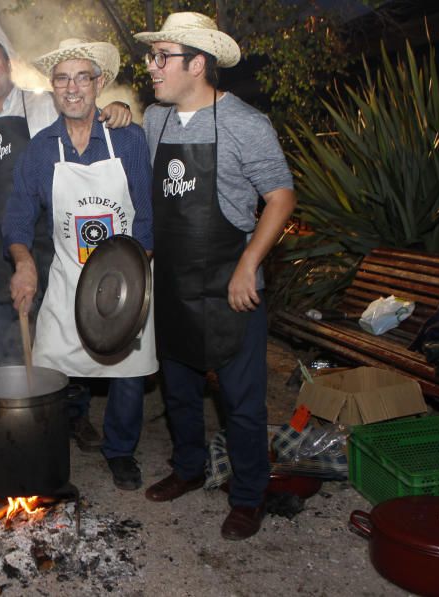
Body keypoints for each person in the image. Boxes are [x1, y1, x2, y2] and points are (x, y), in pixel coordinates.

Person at [134, 12, 297, 539]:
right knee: (179, 391)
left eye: (162, 58)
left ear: (197, 64)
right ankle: (188, 468)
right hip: (175, 284)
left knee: (242, 405)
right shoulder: (154, 120)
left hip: (232, 286)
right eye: (150, 57)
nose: (152, 68)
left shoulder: (246, 123)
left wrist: (249, 265)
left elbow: (281, 197)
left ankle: (250, 495)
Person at [0, 39, 133, 451]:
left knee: (64, 335)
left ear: (9, 65)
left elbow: (85, 109)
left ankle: (74, 416)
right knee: (2, 341)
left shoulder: (42, 103)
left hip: (51, 240)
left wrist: (115, 110)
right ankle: (12, 420)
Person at [2, 39, 157, 491]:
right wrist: (24, 262)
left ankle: (120, 450)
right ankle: (57, 436)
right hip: (70, 277)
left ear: (98, 83)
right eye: (63, 78)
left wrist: (134, 271)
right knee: (50, 365)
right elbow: (16, 218)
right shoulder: (40, 149)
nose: (73, 88)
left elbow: (146, 216)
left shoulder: (128, 139)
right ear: (53, 87)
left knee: (128, 370)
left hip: (125, 280)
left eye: (82, 77)